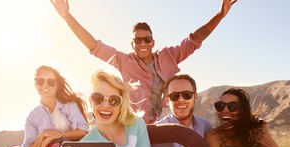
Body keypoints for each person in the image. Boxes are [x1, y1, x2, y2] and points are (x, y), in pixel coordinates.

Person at [51, 0, 238, 123]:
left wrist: (220, 14)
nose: (143, 44)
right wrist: (67, 16)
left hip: (168, 123)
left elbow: (195, 40)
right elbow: (93, 45)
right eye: (138, 40)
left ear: (153, 42)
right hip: (136, 127)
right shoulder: (123, 62)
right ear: (132, 44)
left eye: (146, 39)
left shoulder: (168, 56)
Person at [22, 65, 89, 147]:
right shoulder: (32, 117)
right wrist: (43, 136)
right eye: (40, 81)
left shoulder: (70, 106)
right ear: (35, 84)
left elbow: (83, 130)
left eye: (51, 82)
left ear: (57, 86)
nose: (45, 85)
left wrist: (54, 137)